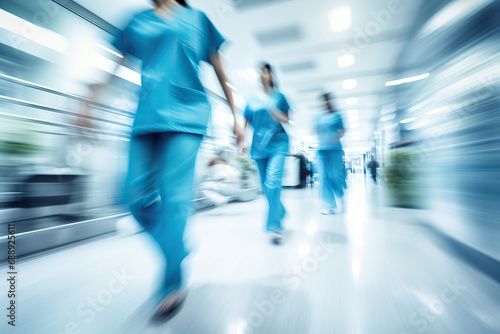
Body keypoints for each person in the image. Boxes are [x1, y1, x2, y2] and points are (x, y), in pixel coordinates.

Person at [82, 0, 243, 320]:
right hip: (146, 117)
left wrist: (236, 116)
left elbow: (220, 72)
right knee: (134, 197)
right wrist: (91, 99)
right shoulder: (137, 21)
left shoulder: (197, 19)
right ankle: (176, 248)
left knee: (175, 198)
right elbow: (116, 68)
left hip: (188, 117)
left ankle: (172, 283)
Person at [242, 63, 291, 245]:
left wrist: (281, 117)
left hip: (278, 143)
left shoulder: (280, 97)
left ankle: (274, 227)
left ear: (271, 75)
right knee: (266, 189)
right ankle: (281, 211)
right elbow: (245, 120)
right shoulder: (251, 100)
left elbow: (288, 118)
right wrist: (242, 140)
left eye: (267, 71)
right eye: (260, 71)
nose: (263, 74)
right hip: (258, 147)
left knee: (273, 184)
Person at [314, 93, 346, 215]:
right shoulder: (317, 118)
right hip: (321, 150)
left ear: (330, 101)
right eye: (323, 101)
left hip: (335, 150)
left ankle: (341, 195)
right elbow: (316, 131)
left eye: (326, 100)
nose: (324, 103)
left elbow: (342, 131)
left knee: (334, 176)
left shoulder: (337, 116)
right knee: (323, 177)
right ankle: (329, 206)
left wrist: (337, 135)